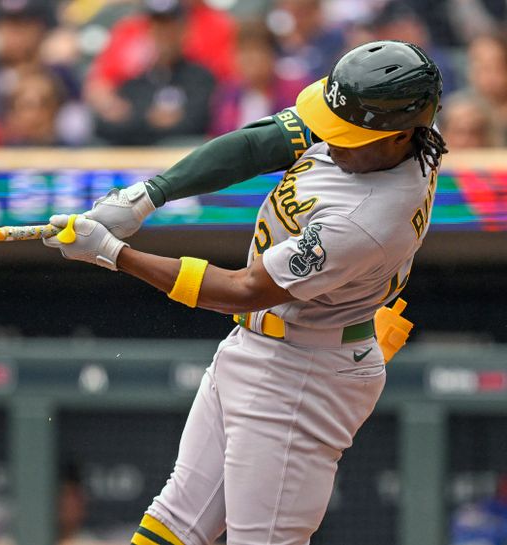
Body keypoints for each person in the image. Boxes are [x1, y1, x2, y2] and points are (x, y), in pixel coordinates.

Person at [44, 40, 446, 545]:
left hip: (304, 375)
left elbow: (241, 288)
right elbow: (262, 143)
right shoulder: (392, 140)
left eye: (349, 134)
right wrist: (149, 195)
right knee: (173, 524)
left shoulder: (367, 219)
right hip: (267, 345)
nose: (331, 140)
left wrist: (113, 253)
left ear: (400, 135)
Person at [85, 0, 235, 125]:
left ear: (183, 29)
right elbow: (100, 86)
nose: (162, 34)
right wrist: (116, 108)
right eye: (157, 26)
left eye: (168, 26)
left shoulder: (216, 27)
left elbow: (226, 91)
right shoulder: (138, 74)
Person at [211, 23, 309, 136]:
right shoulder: (226, 94)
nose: (249, 59)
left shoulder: (295, 93)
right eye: (242, 51)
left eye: (256, 51)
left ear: (272, 54)